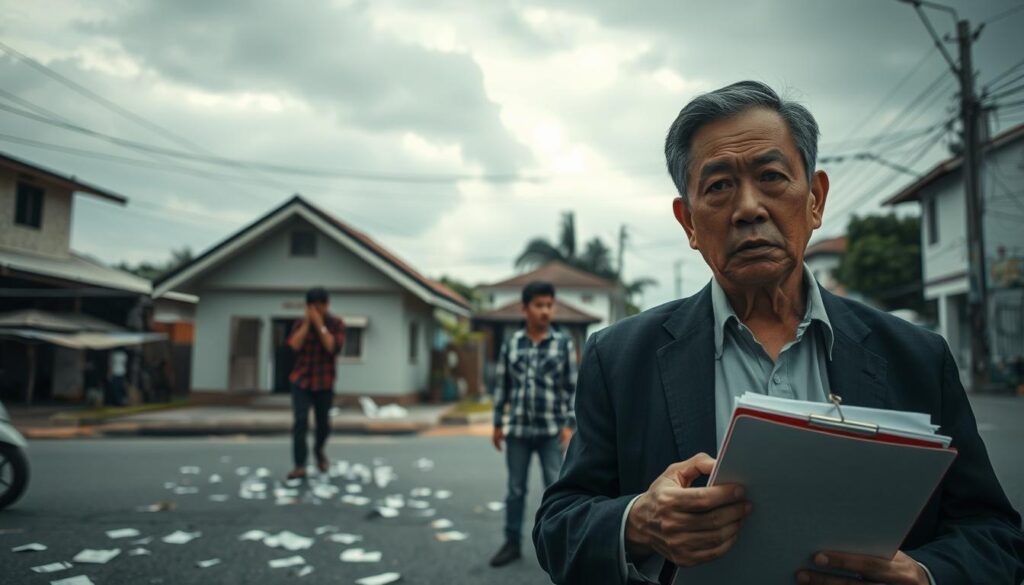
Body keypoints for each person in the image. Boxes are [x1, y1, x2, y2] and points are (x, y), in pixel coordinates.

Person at [533, 81, 1024, 584]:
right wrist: (638, 521)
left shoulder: (917, 357)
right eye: (719, 186)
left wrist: (923, 576)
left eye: (771, 176)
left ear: (815, 199)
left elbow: (994, 533)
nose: (748, 208)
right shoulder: (618, 359)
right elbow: (558, 526)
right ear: (688, 222)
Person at [490, 281, 579, 568]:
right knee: (515, 490)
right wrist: (496, 423)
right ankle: (511, 543)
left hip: (551, 431)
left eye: (549, 305)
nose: (545, 311)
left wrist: (569, 424)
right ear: (525, 308)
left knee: (555, 488)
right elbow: (502, 386)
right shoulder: (512, 344)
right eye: (539, 305)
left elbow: (572, 388)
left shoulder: (563, 344)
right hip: (517, 430)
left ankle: (558, 547)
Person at [286, 286, 346, 480]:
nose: (315, 310)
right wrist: (307, 324)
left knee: (323, 424)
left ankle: (319, 451)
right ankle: (299, 465)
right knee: (300, 422)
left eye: (318, 306)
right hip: (301, 380)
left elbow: (331, 347)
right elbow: (294, 345)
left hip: (324, 381)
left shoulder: (336, 323)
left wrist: (320, 324)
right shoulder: (299, 324)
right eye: (311, 306)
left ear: (326, 305)